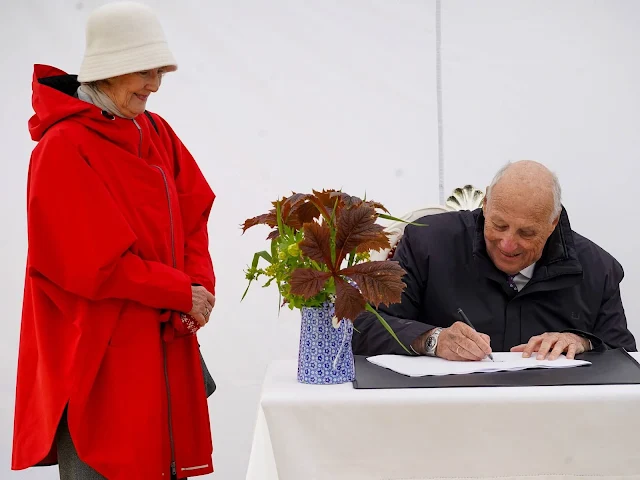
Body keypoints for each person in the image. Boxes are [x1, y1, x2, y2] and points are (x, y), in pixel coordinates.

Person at [12, 2, 216, 479]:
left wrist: (197, 288)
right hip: (99, 354)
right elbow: (92, 265)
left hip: (161, 339)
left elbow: (194, 211)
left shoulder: (155, 130)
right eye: (145, 71)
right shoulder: (62, 149)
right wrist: (178, 292)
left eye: (160, 71)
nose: (155, 84)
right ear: (110, 68)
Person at [353, 160, 637, 360]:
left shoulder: (599, 269)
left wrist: (583, 341)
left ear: (553, 224)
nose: (508, 244)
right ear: (486, 204)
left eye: (527, 232)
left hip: (556, 425)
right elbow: (362, 327)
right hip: (441, 416)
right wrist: (432, 340)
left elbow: (624, 356)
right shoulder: (427, 243)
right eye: (499, 225)